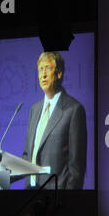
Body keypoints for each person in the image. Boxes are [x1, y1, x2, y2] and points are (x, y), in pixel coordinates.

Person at [22, 52, 87, 189]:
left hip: (57, 197)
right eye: (40, 69)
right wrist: (2, 174)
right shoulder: (34, 109)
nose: (43, 74)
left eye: (48, 68)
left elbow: (76, 168)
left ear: (59, 74)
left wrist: (68, 203)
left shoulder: (73, 110)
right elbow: (28, 156)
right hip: (30, 194)